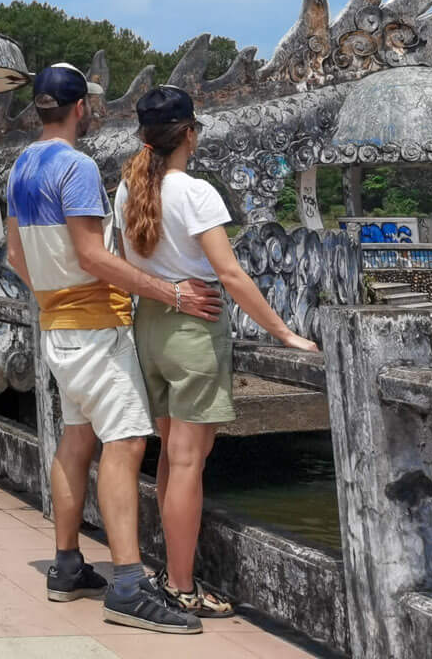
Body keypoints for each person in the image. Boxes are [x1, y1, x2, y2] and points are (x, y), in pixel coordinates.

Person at [5, 62, 222, 637]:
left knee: (77, 440)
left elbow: (14, 257)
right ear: (82, 108)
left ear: (39, 108)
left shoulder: (21, 166)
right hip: (96, 326)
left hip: (57, 325)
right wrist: (170, 291)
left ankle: (67, 564)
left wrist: (54, 298)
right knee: (125, 442)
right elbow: (96, 256)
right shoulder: (74, 167)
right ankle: (128, 583)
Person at [113, 84, 319, 620]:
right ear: (188, 134)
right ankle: (181, 586)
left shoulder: (128, 189)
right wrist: (283, 332)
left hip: (150, 327)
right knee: (187, 463)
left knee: (170, 459)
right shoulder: (196, 192)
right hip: (194, 328)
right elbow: (229, 274)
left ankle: (169, 571)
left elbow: (125, 264)